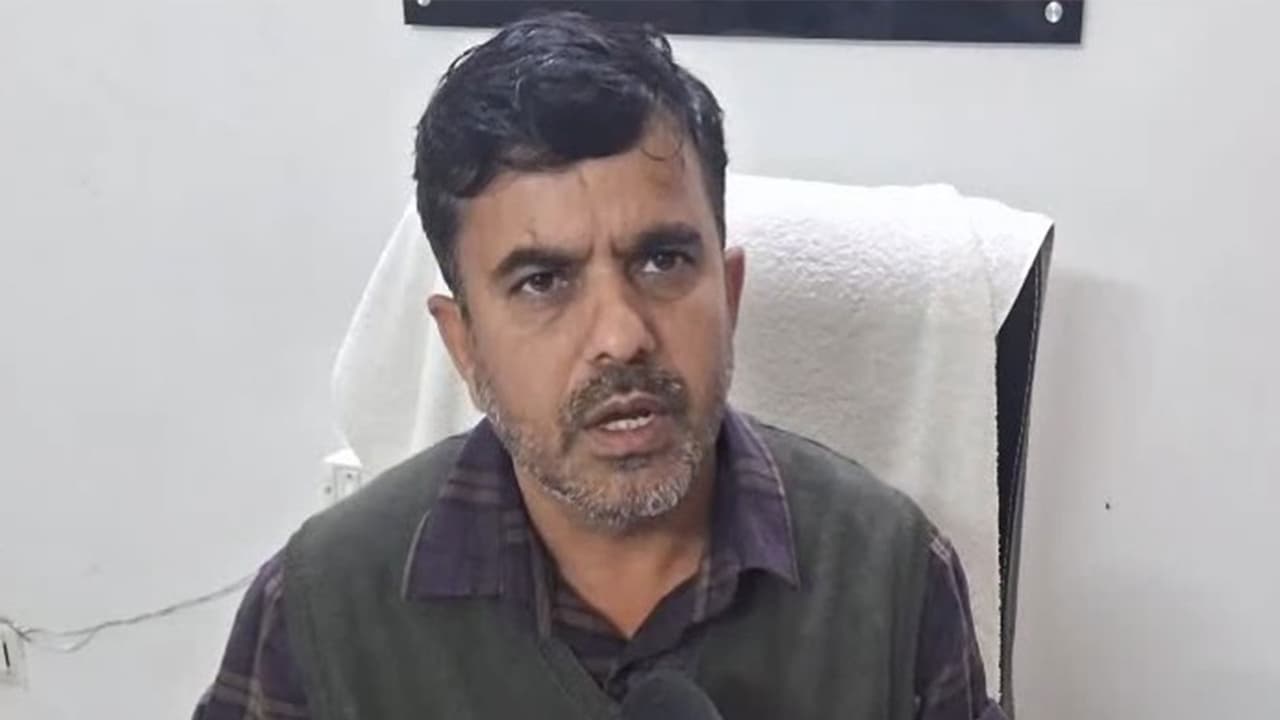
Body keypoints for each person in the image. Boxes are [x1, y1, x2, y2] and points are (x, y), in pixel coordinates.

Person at [196, 11, 1003, 720]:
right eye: (543, 281)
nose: (621, 336)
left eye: (662, 261)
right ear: (464, 344)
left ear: (727, 295)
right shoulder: (322, 612)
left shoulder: (892, 578)